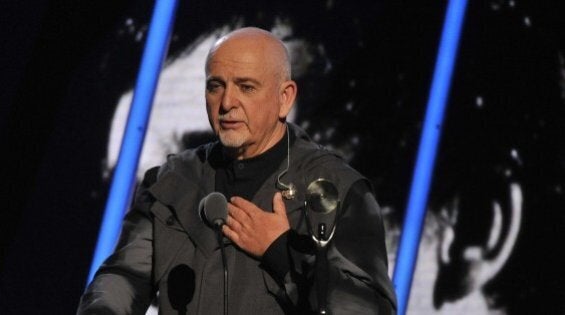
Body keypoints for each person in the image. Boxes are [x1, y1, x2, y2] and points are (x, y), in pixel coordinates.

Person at [78, 27, 397, 314]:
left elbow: (365, 306)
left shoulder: (335, 188)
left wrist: (282, 253)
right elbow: (126, 275)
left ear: (284, 98)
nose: (227, 102)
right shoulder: (173, 181)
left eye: (246, 87)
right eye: (215, 86)